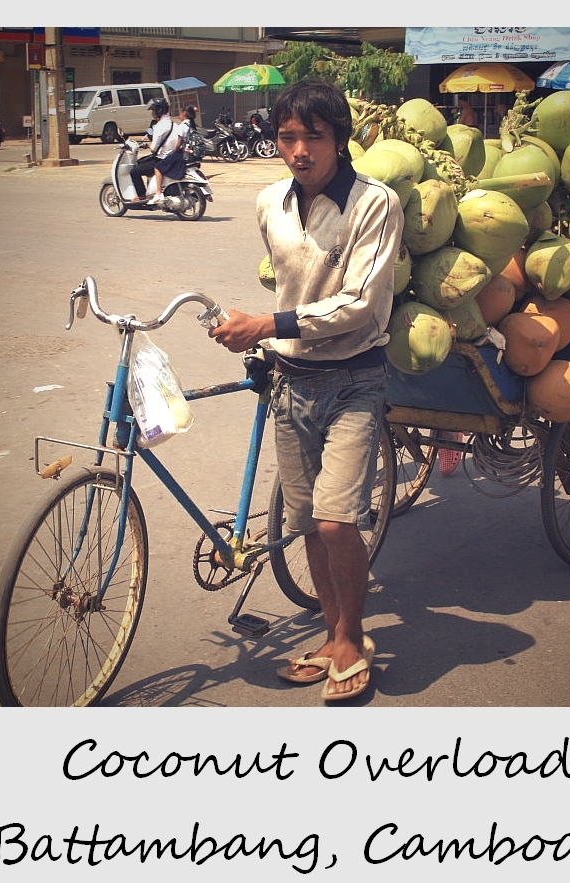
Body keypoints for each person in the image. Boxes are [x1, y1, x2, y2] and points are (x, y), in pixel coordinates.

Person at [208, 79, 404, 703]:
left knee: (335, 520)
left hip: (354, 378)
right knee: (308, 527)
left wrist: (266, 326)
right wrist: (267, 342)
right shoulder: (269, 203)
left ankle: (352, 638)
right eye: (287, 137)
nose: (298, 150)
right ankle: (330, 636)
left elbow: (362, 304)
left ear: (339, 140)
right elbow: (286, 285)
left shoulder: (377, 204)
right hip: (292, 384)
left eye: (312, 137)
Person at [129, 98, 178, 203]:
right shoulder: (174, 124)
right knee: (143, 162)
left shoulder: (159, 126)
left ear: (158, 110)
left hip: (163, 159)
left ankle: (142, 195)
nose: (152, 113)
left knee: (134, 171)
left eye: (153, 110)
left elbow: (153, 148)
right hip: (174, 157)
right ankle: (151, 189)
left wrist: (149, 146)